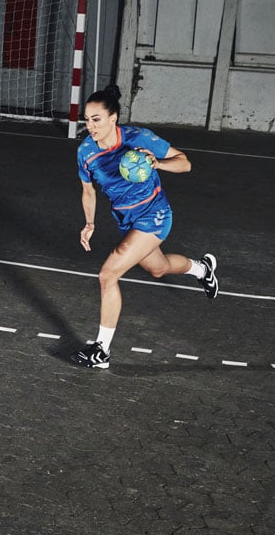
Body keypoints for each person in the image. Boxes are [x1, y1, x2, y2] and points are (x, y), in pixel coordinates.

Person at [70, 84, 218, 369]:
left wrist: (157, 163)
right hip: (128, 221)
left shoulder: (138, 137)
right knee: (158, 268)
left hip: (155, 215)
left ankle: (102, 350)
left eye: (96, 119)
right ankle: (202, 268)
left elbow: (185, 163)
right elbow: (87, 190)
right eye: (87, 120)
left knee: (107, 275)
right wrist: (89, 222)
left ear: (113, 118)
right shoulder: (85, 151)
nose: (90, 126)